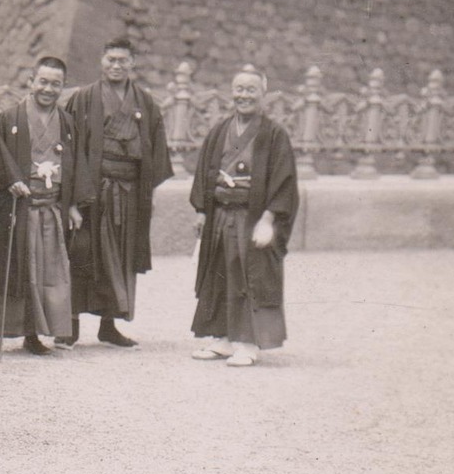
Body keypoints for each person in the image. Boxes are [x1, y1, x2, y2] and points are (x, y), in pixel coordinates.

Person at [60, 36, 173, 348]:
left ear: (132, 64)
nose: (117, 66)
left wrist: (142, 187)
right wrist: (76, 195)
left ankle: (109, 325)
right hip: (91, 193)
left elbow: (156, 151)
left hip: (129, 194)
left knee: (120, 259)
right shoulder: (84, 98)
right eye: (111, 60)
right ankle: (70, 325)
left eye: (123, 60)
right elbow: (71, 149)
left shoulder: (146, 103)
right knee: (82, 254)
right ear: (102, 62)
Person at [189, 66, 298, 367]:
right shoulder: (220, 131)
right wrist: (201, 210)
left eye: (251, 90)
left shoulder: (274, 134)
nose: (243, 95)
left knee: (248, 277)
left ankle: (248, 343)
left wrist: (269, 219)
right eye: (239, 89)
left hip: (252, 218)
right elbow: (203, 173)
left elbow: (283, 182)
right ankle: (222, 339)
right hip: (220, 215)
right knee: (218, 274)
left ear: (263, 95)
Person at [0, 56, 82, 355]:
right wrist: (10, 180)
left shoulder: (66, 122)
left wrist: (72, 204)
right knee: (6, 268)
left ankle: (32, 333)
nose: (48, 89)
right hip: (17, 206)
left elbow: (74, 164)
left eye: (56, 84)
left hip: (50, 208)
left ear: (63, 87)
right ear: (31, 81)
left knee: (44, 271)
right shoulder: (10, 118)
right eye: (43, 81)